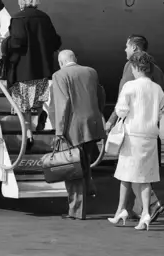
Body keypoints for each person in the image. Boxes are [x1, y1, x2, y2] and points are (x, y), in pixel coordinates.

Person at [105, 34, 164, 222]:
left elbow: (123, 101)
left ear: (134, 49)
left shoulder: (130, 68)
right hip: (151, 131)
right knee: (143, 173)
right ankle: (135, 209)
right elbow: (160, 109)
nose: (125, 50)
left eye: (126, 46)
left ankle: (147, 206)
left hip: (133, 131)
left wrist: (111, 121)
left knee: (129, 173)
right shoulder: (159, 74)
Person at [51, 50, 106, 220]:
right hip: (92, 124)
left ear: (61, 62)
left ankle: (76, 210)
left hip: (73, 128)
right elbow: (100, 95)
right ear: (75, 59)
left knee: (72, 169)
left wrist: (59, 131)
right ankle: (89, 190)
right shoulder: (91, 72)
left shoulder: (59, 75)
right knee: (85, 163)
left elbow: (63, 104)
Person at [5, 0, 61, 146]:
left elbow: (17, 42)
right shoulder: (45, 18)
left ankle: (28, 135)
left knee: (24, 105)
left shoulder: (18, 18)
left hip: (24, 69)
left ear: (25, 0)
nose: (19, 4)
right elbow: (55, 41)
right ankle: (41, 114)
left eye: (20, 1)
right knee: (38, 99)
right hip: (43, 69)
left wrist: (7, 44)